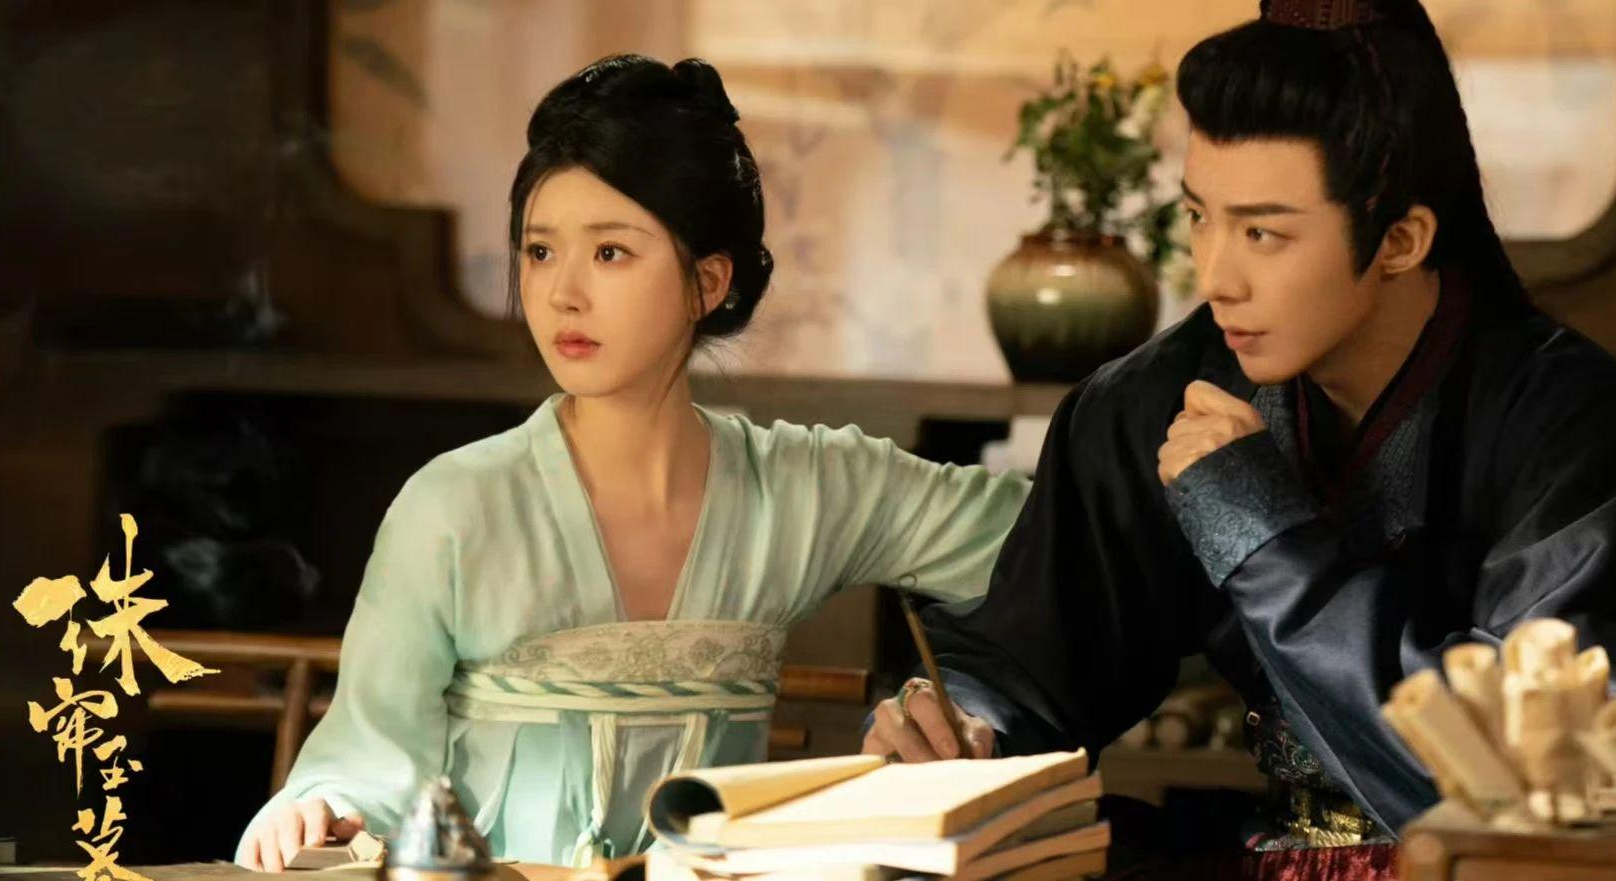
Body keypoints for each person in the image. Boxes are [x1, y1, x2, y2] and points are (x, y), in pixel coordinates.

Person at [864, 0, 1616, 855]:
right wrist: (963, 720)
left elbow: (1530, 782)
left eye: (1262, 232)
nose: (1215, 275)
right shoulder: (1155, 398)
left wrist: (1256, 533)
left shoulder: (1565, 416)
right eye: (1198, 217)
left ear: (1399, 239)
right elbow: (1032, 658)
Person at [236, 55, 1030, 870]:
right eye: (539, 252)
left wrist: (958, 692)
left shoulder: (804, 488)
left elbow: (1056, 546)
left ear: (706, 282)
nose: (562, 293)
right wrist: (318, 806)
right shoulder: (452, 507)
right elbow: (368, 757)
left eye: (610, 252)